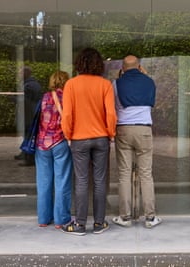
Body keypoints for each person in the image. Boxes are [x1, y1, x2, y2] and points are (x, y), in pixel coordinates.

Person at [60, 47, 117, 236]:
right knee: (100, 181)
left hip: (78, 138)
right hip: (101, 138)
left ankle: (80, 225)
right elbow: (110, 114)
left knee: (82, 181)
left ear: (79, 63)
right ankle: (100, 223)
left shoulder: (71, 85)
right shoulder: (105, 84)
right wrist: (111, 134)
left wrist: (68, 135)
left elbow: (67, 114)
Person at [111, 55, 162, 229]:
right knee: (146, 174)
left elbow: (112, 105)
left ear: (122, 68)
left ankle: (124, 217)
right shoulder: (149, 82)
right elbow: (151, 101)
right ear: (139, 67)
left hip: (123, 129)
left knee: (124, 174)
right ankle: (150, 217)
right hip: (144, 129)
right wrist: (145, 75)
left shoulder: (116, 84)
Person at [35, 70, 73, 229]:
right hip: (60, 142)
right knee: (62, 181)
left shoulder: (44, 97)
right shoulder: (68, 98)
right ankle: (61, 219)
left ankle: (43, 218)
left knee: (43, 182)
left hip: (42, 144)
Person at [15, 66, 42, 166]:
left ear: (25, 74)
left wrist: (12, 98)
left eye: (20, 73)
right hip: (32, 113)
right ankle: (25, 154)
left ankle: (29, 158)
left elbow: (24, 100)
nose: (18, 75)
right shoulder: (32, 83)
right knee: (28, 135)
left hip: (29, 114)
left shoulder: (28, 85)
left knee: (28, 136)